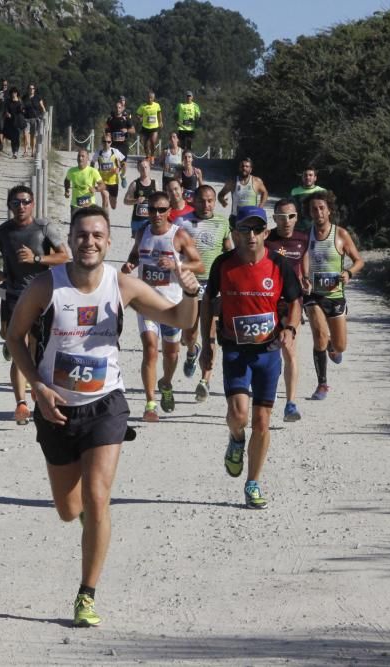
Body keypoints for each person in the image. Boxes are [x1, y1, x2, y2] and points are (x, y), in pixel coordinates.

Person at [5, 205, 201, 627]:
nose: (89, 242)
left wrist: (190, 294)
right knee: (67, 507)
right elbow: (14, 336)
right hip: (56, 407)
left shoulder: (122, 285)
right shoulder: (46, 286)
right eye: (81, 235)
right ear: (71, 239)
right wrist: (37, 388)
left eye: (97, 235)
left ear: (108, 242)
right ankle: (91, 528)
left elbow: (176, 320)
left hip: (106, 404)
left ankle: (86, 594)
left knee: (97, 497)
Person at [199, 206, 301, 509]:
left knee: (261, 420)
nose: (252, 235)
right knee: (239, 415)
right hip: (235, 350)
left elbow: (295, 300)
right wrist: (207, 343)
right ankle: (236, 437)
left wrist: (291, 328)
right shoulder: (223, 265)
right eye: (245, 230)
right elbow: (207, 303)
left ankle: (253, 482)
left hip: (268, 352)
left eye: (257, 229)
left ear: (266, 233)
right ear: (235, 234)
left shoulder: (279, 265)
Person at [0, 185, 69, 425]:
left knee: (32, 351)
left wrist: (37, 259)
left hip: (41, 297)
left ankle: (29, 395)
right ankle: (21, 403)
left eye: (25, 202)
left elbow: (64, 256)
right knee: (18, 349)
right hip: (12, 295)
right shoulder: (2, 231)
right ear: (9, 205)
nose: (21, 206)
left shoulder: (44, 228)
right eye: (16, 202)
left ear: (32, 203)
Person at [122, 192, 203, 421]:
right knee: (149, 349)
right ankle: (150, 404)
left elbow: (198, 265)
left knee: (171, 353)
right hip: (146, 303)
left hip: (172, 305)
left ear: (169, 211)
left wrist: (176, 263)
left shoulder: (179, 235)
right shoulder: (142, 232)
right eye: (152, 209)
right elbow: (135, 256)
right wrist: (130, 264)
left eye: (161, 210)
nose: (156, 214)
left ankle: (166, 382)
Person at [301, 191, 365, 401]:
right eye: (313, 209)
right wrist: (304, 277)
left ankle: (332, 347)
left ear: (329, 210)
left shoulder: (341, 235)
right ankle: (322, 384)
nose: (318, 212)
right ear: (309, 212)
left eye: (321, 208)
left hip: (335, 296)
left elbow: (359, 261)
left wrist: (348, 273)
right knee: (319, 337)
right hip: (313, 296)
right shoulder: (306, 235)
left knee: (340, 346)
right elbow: (300, 257)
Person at [176, 184, 232, 401]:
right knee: (190, 334)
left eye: (210, 200)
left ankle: (205, 379)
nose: (206, 205)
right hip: (190, 284)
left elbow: (228, 251)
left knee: (211, 335)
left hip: (213, 286)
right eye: (202, 201)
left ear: (214, 202)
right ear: (194, 202)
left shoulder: (222, 222)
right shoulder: (183, 223)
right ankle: (191, 352)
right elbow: (174, 251)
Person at [265, 199, 308, 422]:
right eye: (282, 217)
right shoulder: (266, 239)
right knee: (267, 351)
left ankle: (290, 404)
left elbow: (304, 265)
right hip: (268, 302)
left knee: (289, 349)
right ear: (274, 218)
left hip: (292, 302)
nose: (287, 221)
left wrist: (306, 280)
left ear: (296, 217)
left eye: (291, 216)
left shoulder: (303, 239)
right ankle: (263, 395)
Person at [218, 157, 269, 224]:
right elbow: (221, 195)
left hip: (251, 217)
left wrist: (260, 207)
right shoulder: (232, 182)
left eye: (247, 166)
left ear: (250, 169)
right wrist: (223, 202)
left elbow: (265, 192)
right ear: (239, 168)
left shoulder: (257, 181)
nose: (244, 168)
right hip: (235, 217)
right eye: (242, 166)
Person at [123, 157, 156, 239]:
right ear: (138, 169)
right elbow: (125, 201)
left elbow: (159, 201)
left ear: (149, 168)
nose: (144, 169)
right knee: (138, 245)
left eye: (146, 167)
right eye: (141, 167)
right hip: (137, 220)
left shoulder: (155, 183)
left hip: (151, 220)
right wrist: (135, 201)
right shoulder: (134, 184)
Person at [64, 148, 105, 212]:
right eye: (79, 156)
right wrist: (67, 190)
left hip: (89, 205)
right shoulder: (71, 171)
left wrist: (95, 189)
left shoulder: (93, 171)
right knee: (75, 222)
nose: (80, 158)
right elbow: (67, 180)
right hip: (75, 205)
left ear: (87, 158)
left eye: (83, 156)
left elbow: (102, 185)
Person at [91, 135, 126, 210]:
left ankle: (112, 199)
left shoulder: (115, 152)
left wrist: (120, 171)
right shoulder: (98, 152)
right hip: (102, 181)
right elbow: (92, 163)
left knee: (113, 206)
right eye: (104, 142)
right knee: (105, 199)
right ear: (102, 142)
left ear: (111, 143)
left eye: (108, 142)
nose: (106, 143)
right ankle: (106, 220)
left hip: (113, 182)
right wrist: (93, 175)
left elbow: (124, 163)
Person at [104, 101, 134, 183]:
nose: (118, 109)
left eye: (119, 107)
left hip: (123, 145)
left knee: (123, 163)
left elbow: (133, 130)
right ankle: (110, 177)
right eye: (116, 107)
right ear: (114, 108)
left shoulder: (126, 119)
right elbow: (106, 129)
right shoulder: (110, 119)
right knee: (114, 162)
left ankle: (123, 176)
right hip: (113, 144)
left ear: (122, 108)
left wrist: (126, 130)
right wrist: (108, 134)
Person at [290, 165, 326, 232]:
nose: (307, 177)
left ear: (315, 178)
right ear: (302, 177)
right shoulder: (295, 191)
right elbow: (291, 211)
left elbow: (326, 212)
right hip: (299, 228)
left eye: (310, 175)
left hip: (317, 228)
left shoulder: (322, 191)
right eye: (305, 175)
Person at [136, 90, 163, 163]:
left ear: (153, 98)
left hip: (154, 127)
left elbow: (159, 114)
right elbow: (137, 114)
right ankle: (147, 156)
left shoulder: (157, 105)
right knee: (145, 144)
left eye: (151, 98)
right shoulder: (143, 106)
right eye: (148, 98)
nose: (149, 99)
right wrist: (139, 118)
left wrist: (160, 121)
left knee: (153, 142)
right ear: (146, 98)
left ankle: (152, 156)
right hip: (145, 127)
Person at [22, 83, 48, 157]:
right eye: (30, 88)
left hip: (35, 119)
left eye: (32, 88)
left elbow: (42, 107)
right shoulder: (24, 98)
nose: (31, 90)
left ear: (34, 89)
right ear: (28, 89)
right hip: (26, 118)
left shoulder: (38, 98)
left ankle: (33, 151)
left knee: (33, 136)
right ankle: (26, 151)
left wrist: (44, 115)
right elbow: (21, 106)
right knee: (25, 134)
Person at [3, 87, 26, 159]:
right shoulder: (8, 101)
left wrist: (22, 110)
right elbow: (6, 109)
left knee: (17, 136)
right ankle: (14, 151)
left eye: (15, 92)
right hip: (10, 121)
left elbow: (23, 110)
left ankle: (15, 152)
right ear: (11, 93)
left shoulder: (20, 101)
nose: (14, 94)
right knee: (12, 137)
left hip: (18, 121)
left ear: (17, 93)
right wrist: (7, 113)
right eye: (13, 92)